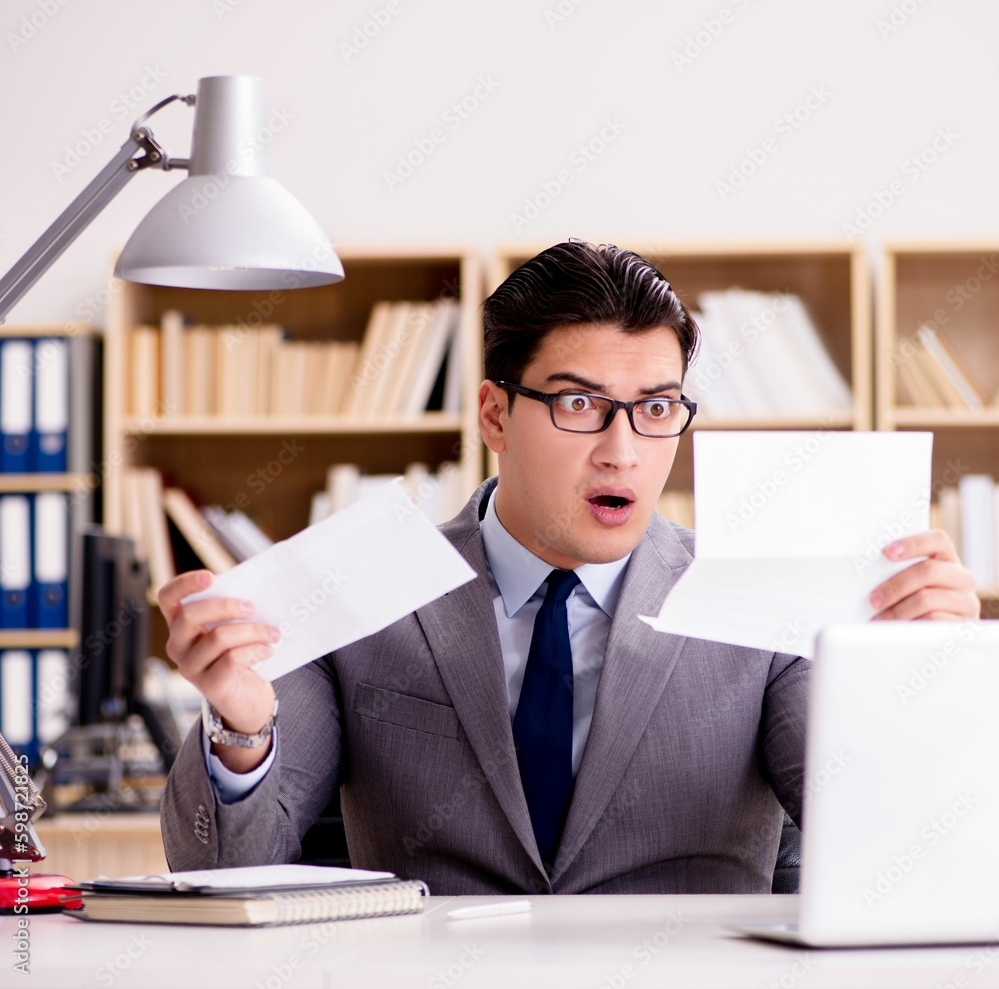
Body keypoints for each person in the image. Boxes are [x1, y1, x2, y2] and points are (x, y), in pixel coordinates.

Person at [159, 241, 979, 894]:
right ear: (495, 414)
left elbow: (894, 857)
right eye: (578, 404)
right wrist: (240, 726)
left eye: (656, 408)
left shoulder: (761, 601)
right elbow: (222, 876)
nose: (622, 452)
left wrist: (923, 682)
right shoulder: (366, 591)